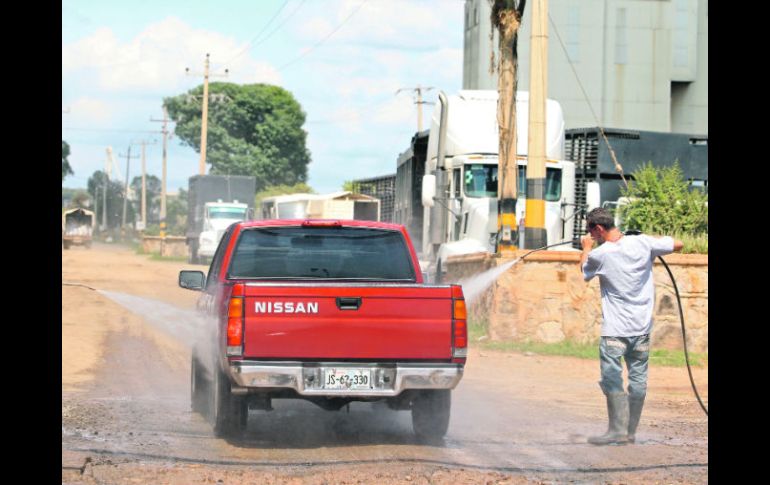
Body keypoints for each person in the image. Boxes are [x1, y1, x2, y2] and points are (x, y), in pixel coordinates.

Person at [579, 207, 683, 445]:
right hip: (642, 330)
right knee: (638, 381)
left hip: (615, 331)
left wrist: (586, 248)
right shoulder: (643, 243)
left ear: (599, 229)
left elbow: (584, 272)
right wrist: (647, 240)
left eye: (590, 231)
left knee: (611, 379)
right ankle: (629, 432)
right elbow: (679, 244)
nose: (590, 235)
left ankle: (617, 430)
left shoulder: (600, 254)